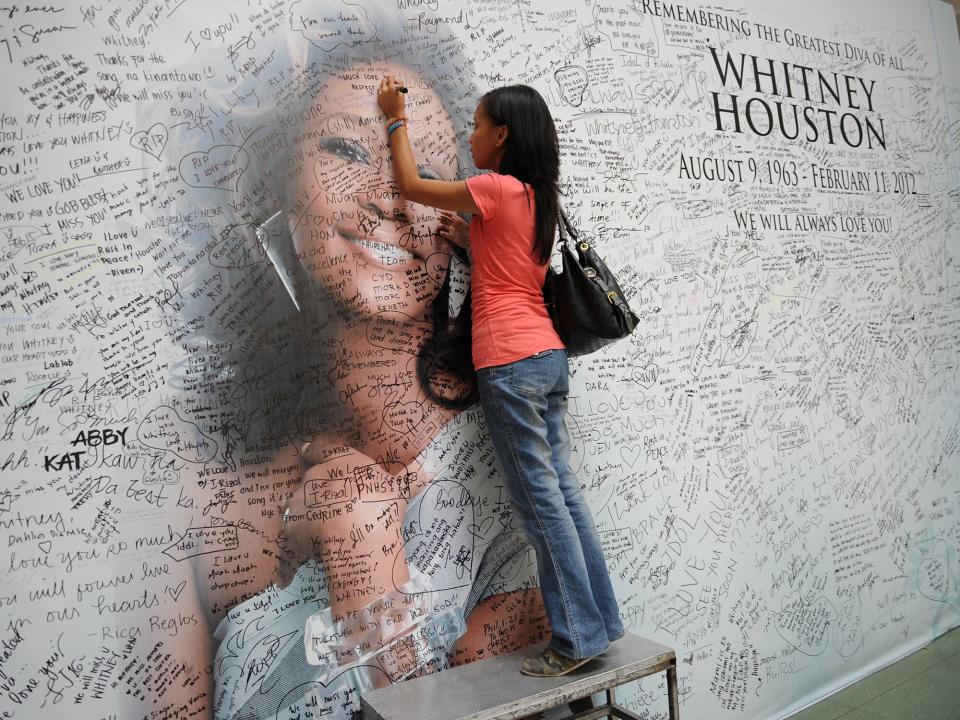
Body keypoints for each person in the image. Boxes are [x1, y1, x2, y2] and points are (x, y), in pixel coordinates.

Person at [376, 76, 625, 676]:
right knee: (563, 494)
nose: (470, 135)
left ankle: (574, 640)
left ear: (503, 135)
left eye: (478, 126)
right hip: (547, 358)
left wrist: (394, 118)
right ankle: (600, 623)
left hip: (510, 365)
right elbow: (519, 277)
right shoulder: (539, 200)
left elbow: (411, 185)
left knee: (539, 503)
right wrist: (469, 242)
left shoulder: (491, 187)